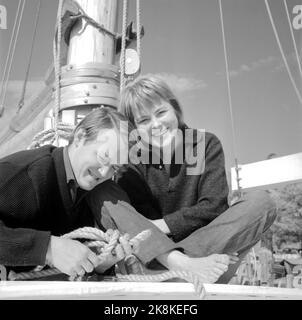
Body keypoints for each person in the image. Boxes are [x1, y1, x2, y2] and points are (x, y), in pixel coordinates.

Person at [88, 75, 277, 284]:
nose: (156, 124)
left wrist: (155, 227)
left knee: (261, 202)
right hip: (153, 255)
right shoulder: (131, 161)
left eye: (161, 112)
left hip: (198, 249)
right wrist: (150, 237)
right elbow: (128, 217)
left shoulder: (205, 144)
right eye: (143, 120)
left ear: (175, 109)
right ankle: (176, 268)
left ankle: (174, 270)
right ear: (134, 128)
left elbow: (213, 208)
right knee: (102, 190)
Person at [0, 107, 133, 279]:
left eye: (114, 167)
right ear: (79, 137)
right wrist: (47, 248)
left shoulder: (84, 190)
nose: (104, 173)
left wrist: (101, 263)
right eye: (103, 157)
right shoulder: (26, 174)